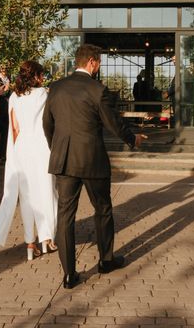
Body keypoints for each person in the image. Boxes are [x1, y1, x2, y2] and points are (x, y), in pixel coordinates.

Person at [42, 44, 146, 289]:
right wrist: (133, 139)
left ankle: (69, 274)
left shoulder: (56, 88)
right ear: (91, 62)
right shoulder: (97, 90)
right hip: (92, 160)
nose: (98, 66)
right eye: (98, 62)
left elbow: (47, 124)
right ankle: (106, 260)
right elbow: (114, 123)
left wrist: (57, 148)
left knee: (66, 216)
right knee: (103, 209)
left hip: (64, 160)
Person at [0, 61, 58, 259]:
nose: (43, 78)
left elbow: (14, 127)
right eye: (41, 75)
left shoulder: (14, 96)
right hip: (41, 147)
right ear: (35, 76)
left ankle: (30, 244)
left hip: (21, 147)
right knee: (46, 192)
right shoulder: (44, 95)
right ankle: (47, 239)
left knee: (26, 196)